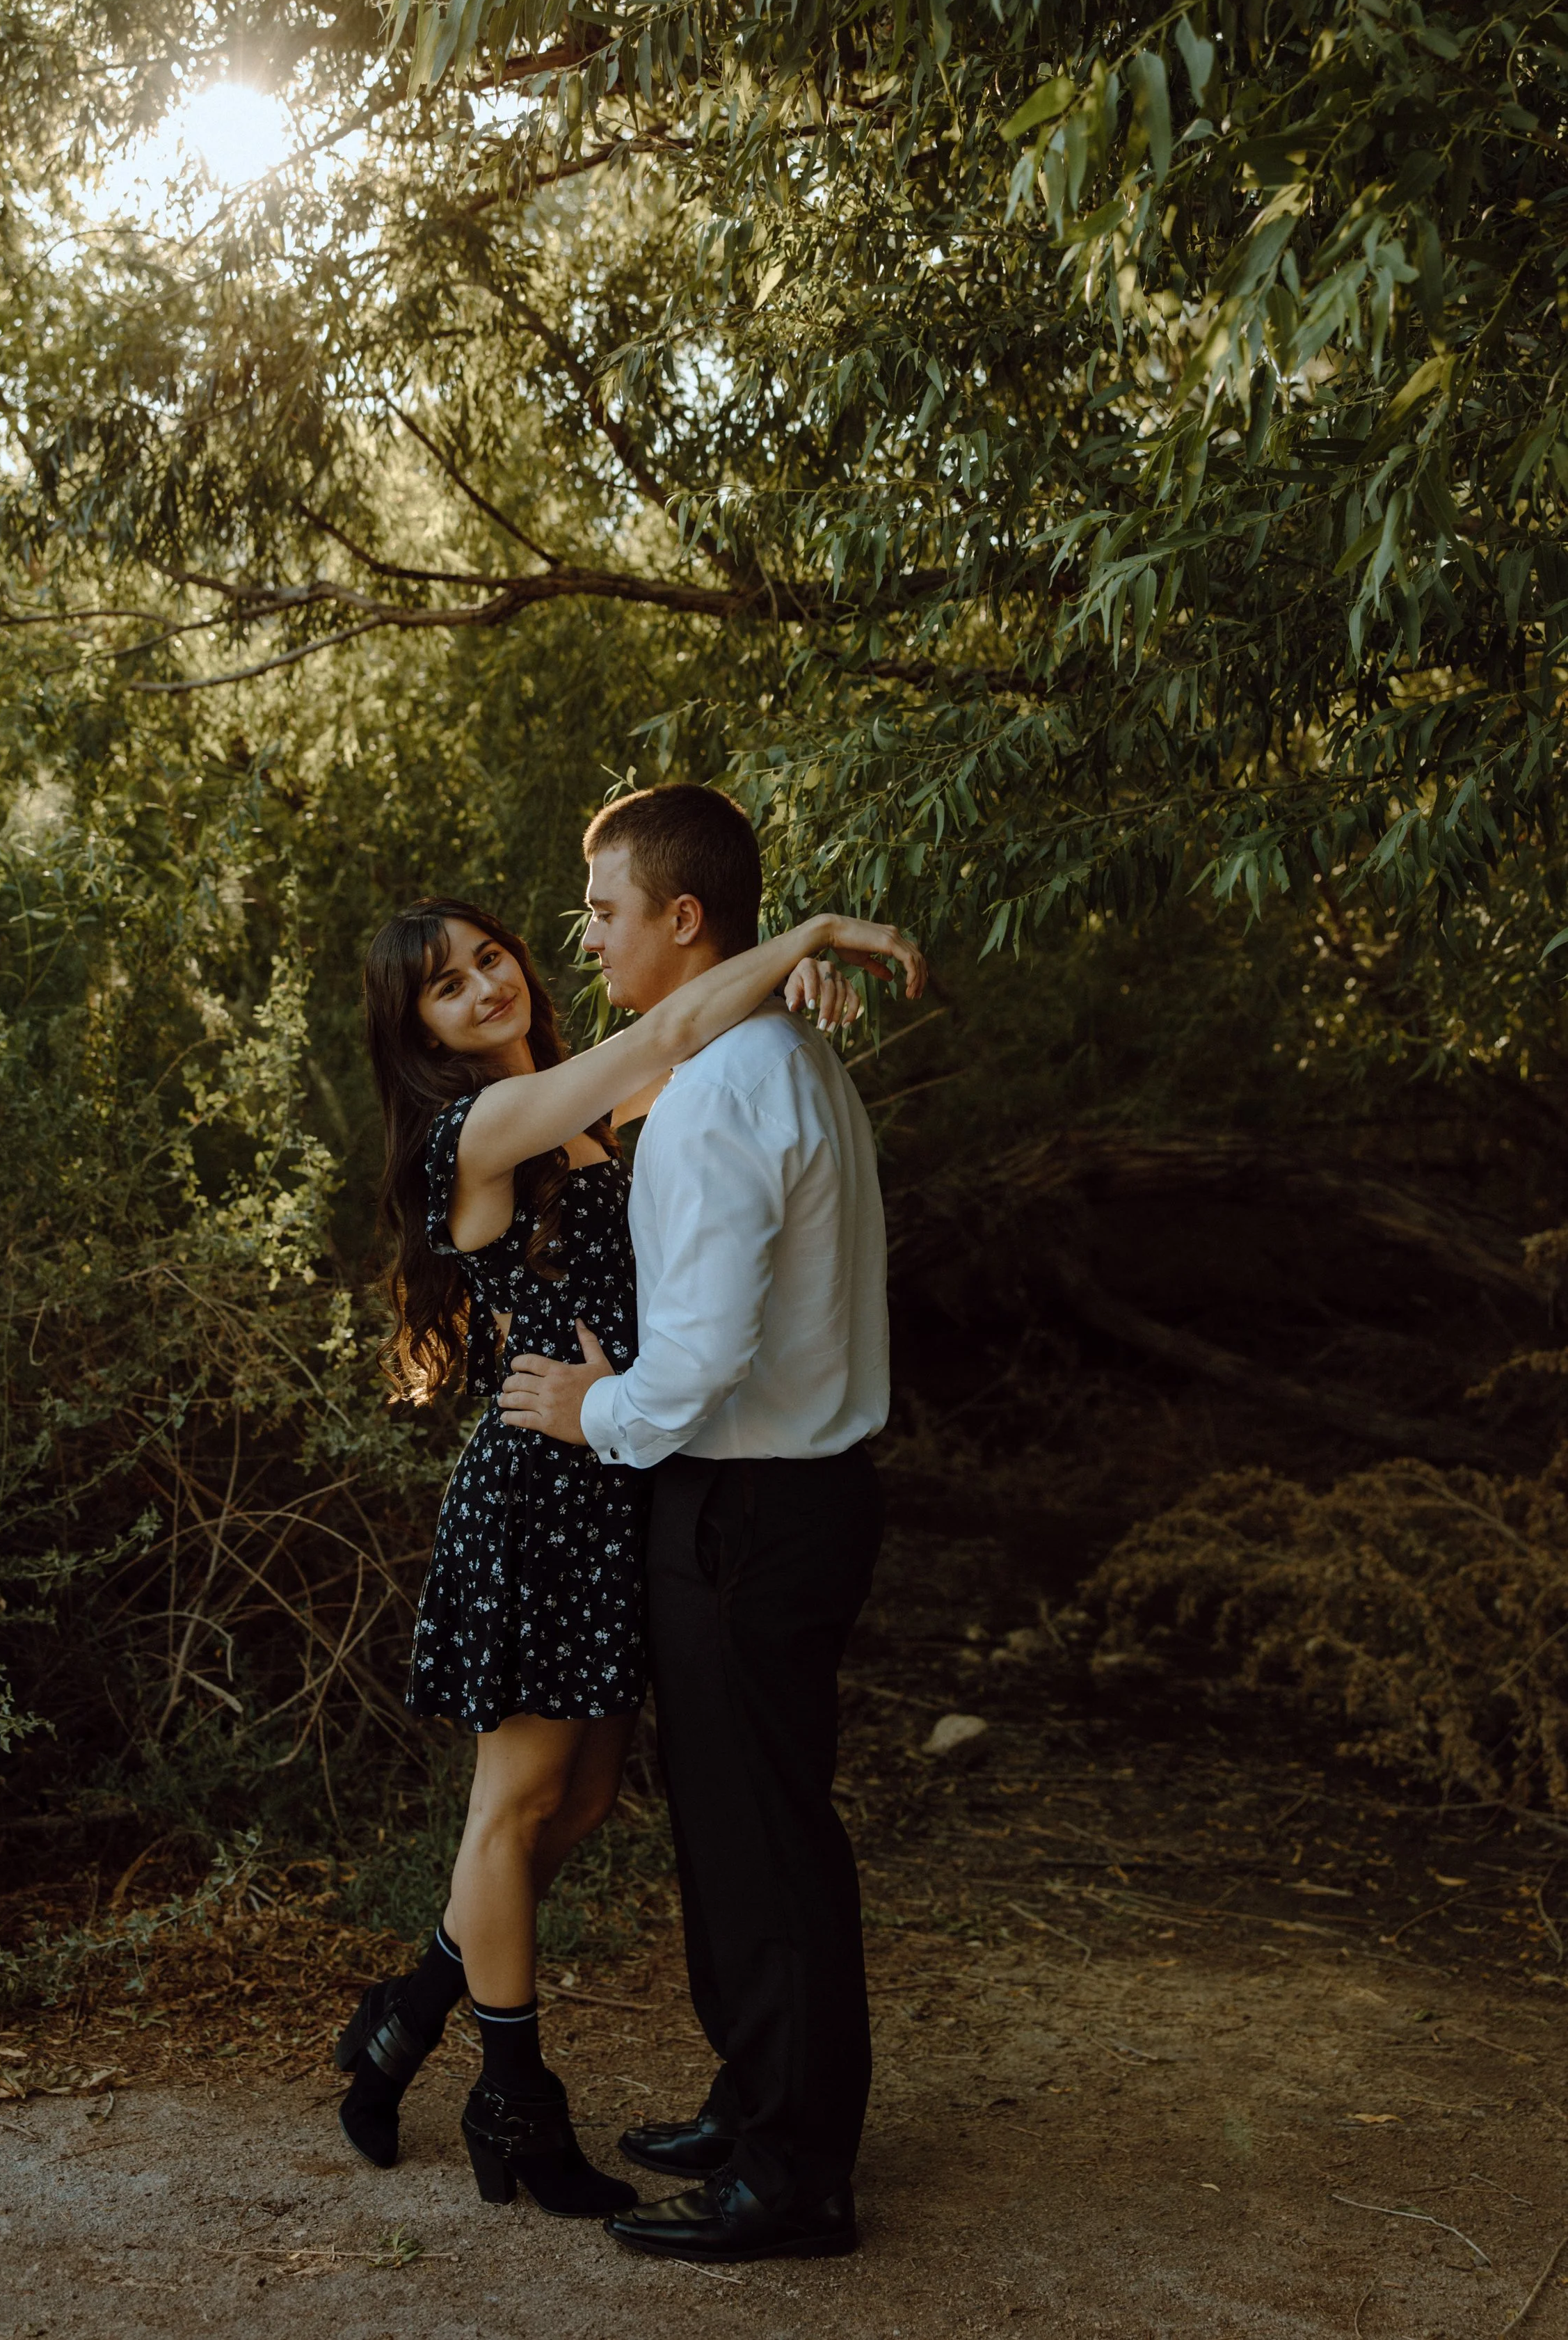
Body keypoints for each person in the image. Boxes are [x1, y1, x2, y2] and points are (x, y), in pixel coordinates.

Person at [337, 887, 923, 2222]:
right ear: (415, 1027)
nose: (488, 986)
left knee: (583, 1801)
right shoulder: (480, 1126)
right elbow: (672, 1022)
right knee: (515, 1807)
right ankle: (513, 2102)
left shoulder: (593, 1115)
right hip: (540, 1492)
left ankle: (402, 2018)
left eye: (493, 957)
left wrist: (779, 998)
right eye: (448, 985)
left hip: (610, 1484)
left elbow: (709, 1065)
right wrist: (811, 941)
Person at [499, 783, 918, 2263]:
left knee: (763, 1834)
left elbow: (695, 1365)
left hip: (747, 1502)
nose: (588, 936)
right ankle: (757, 2098)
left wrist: (586, 1410)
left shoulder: (732, 1091)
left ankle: (795, 2174)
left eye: (605, 910)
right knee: (741, 1823)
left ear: (685, 921)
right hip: (780, 1499)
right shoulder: (770, 1051)